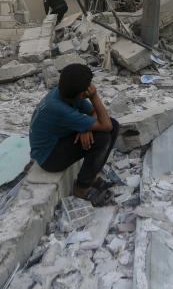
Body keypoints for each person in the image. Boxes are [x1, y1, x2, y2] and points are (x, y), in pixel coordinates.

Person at [29, 63, 119, 205]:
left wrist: (86, 128)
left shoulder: (65, 95)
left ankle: (91, 177)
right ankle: (82, 188)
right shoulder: (59, 108)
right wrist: (94, 96)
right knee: (102, 137)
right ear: (81, 94)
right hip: (48, 157)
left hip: (57, 141)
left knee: (114, 126)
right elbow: (105, 125)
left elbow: (95, 114)